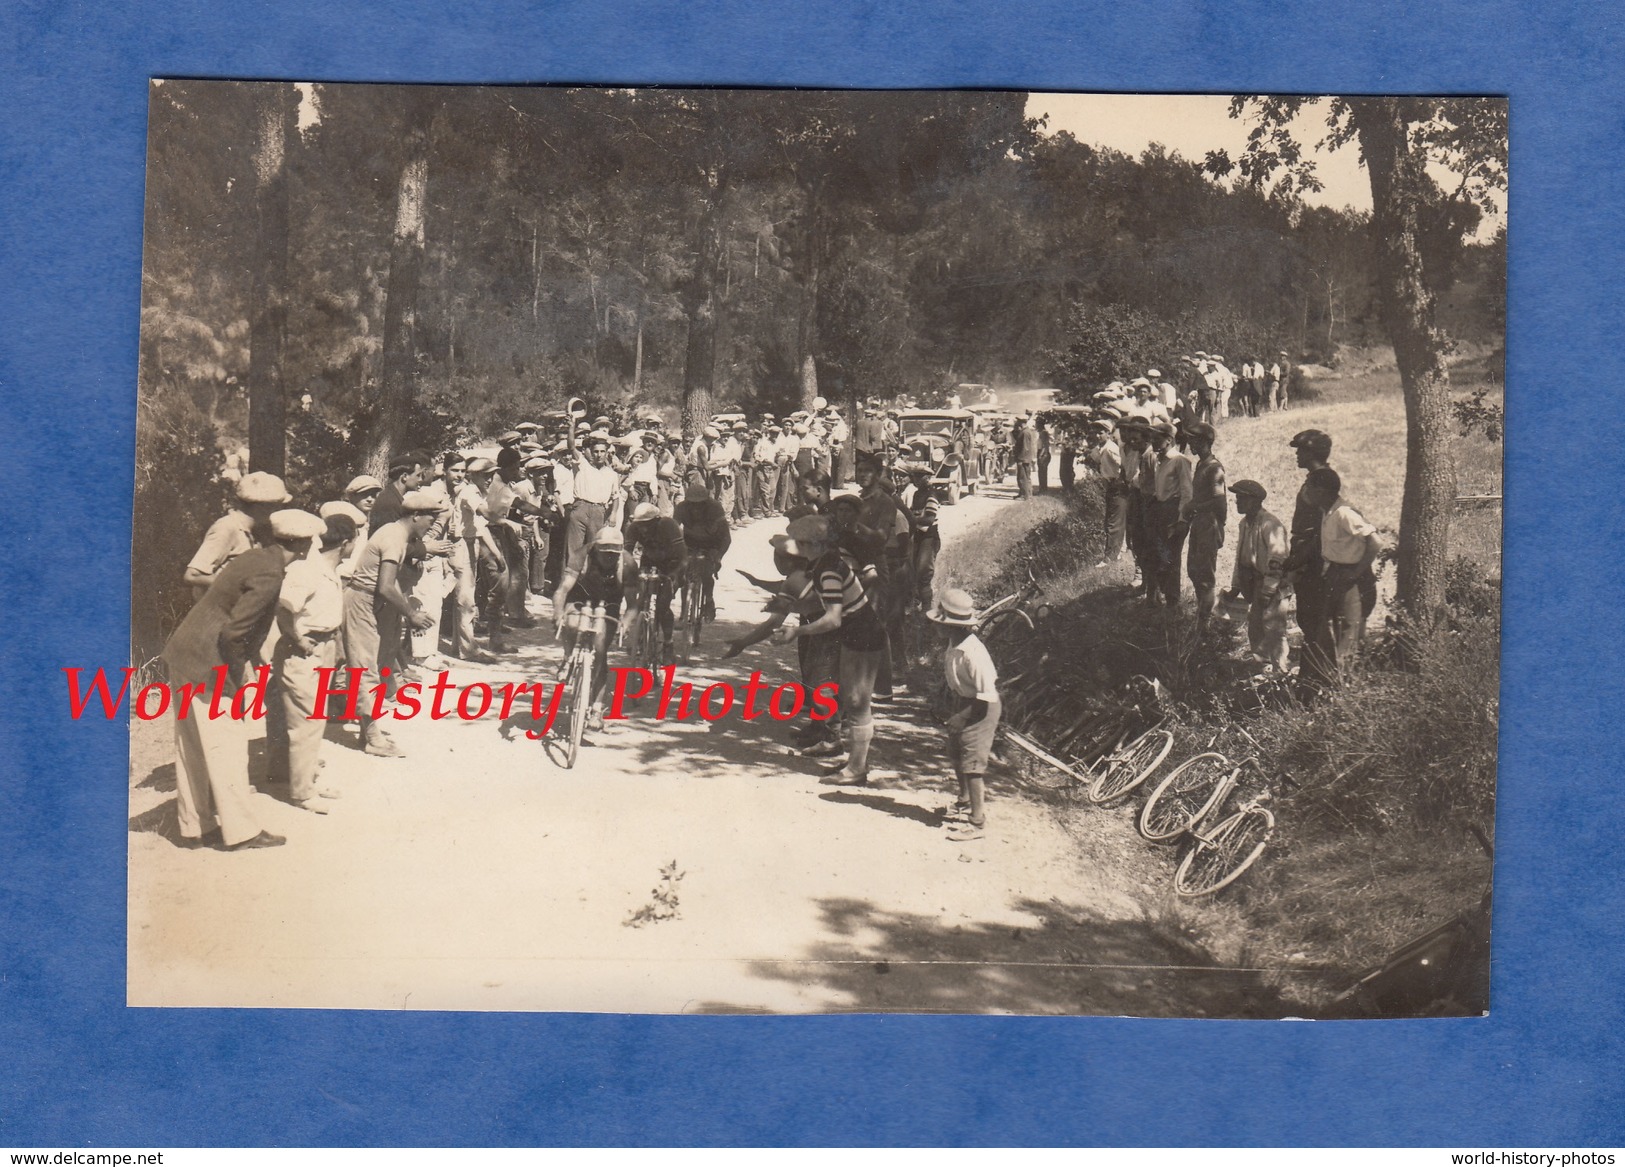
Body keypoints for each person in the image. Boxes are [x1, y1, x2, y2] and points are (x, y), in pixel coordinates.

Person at [162, 508, 325, 850]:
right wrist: (238, 676)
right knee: (229, 747)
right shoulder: (271, 574)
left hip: (185, 652)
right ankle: (241, 832)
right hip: (211, 662)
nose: (313, 545)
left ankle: (195, 827)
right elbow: (235, 633)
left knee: (191, 744)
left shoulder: (254, 557)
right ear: (300, 542)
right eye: (310, 540)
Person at [774, 515, 886, 785]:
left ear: (812, 544)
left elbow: (833, 617)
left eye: (799, 543)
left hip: (862, 633)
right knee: (851, 699)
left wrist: (797, 631)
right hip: (855, 631)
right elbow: (817, 603)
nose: (795, 548)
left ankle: (857, 769)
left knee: (858, 702)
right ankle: (855, 763)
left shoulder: (827, 569)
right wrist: (788, 607)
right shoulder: (823, 564)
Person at [269, 512, 357, 814]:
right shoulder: (306, 571)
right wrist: (297, 639)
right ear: (346, 543)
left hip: (326, 646)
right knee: (306, 720)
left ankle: (304, 780)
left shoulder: (329, 571)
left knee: (314, 717)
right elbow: (283, 610)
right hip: (305, 650)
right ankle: (302, 793)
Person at [344, 490, 440, 757]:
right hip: (361, 600)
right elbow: (386, 586)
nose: (431, 525)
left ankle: (367, 731)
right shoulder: (394, 538)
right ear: (416, 516)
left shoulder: (394, 533)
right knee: (366, 669)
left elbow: (390, 581)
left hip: (367, 600)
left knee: (369, 664)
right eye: (430, 520)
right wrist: (411, 613)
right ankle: (373, 738)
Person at [928, 587, 1001, 842]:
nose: (936, 626)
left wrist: (962, 717)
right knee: (955, 751)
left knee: (972, 763)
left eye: (940, 622)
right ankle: (964, 798)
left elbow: (986, 696)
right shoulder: (954, 643)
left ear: (953, 626)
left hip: (982, 708)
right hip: (966, 702)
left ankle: (977, 821)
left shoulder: (973, 652)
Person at [1306, 467, 1381, 682]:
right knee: (1328, 625)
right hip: (1334, 573)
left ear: (1321, 491)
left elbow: (1375, 542)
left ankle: (1346, 684)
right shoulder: (1327, 512)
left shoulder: (1344, 513)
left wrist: (1356, 572)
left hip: (1350, 576)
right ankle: (1332, 679)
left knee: (1349, 629)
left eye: (1310, 488)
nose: (1307, 493)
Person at [560, 526, 628, 732]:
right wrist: (557, 614)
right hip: (581, 596)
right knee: (571, 624)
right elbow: (563, 589)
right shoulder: (582, 555)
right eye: (604, 551)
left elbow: (633, 601)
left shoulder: (627, 563)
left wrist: (627, 621)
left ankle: (597, 708)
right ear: (595, 548)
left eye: (613, 553)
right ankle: (567, 656)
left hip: (610, 602)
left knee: (600, 651)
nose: (609, 557)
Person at [1284, 430, 1337, 686]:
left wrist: (1302, 556)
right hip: (1305, 552)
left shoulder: (1323, 479)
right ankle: (1312, 675)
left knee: (1314, 618)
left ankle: (1321, 678)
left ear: (1312, 453)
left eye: (1300, 450)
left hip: (1314, 557)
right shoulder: (1315, 478)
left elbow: (1323, 527)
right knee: (1308, 619)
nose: (1296, 454)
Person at [183, 471, 291, 596]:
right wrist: (239, 585)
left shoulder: (251, 531)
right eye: (277, 506)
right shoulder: (227, 527)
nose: (278, 511)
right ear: (262, 506)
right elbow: (192, 575)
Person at [552, 435, 620, 625]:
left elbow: (616, 497)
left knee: (594, 553)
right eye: (596, 451)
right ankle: (566, 596)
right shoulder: (583, 464)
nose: (598, 455)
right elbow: (571, 444)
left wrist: (613, 514)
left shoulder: (611, 474)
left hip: (599, 510)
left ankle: (590, 595)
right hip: (580, 508)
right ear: (590, 452)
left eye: (602, 452)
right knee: (572, 551)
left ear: (607, 453)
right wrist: (572, 425)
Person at [1225, 480, 1290, 671]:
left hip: (1275, 583)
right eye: (1237, 498)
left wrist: (1268, 589)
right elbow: (1241, 558)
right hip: (1255, 582)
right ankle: (1262, 667)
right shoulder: (1244, 524)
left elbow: (1278, 558)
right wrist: (1236, 587)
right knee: (1255, 626)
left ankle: (1281, 671)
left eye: (1241, 498)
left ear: (1254, 501)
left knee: (1273, 628)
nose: (1237, 502)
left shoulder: (1270, 524)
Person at [625, 501, 688, 662]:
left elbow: (682, 556)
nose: (643, 529)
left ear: (656, 520)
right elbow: (626, 554)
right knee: (640, 602)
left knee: (662, 606)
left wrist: (674, 576)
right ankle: (639, 636)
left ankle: (668, 644)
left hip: (671, 563)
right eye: (640, 525)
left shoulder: (669, 526)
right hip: (649, 561)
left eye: (647, 524)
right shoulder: (633, 528)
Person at [1183, 421, 1226, 632]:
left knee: (1205, 574)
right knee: (1193, 570)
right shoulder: (1201, 464)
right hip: (1199, 523)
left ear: (1204, 442)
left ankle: (1205, 622)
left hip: (1209, 523)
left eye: (1194, 440)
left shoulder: (1214, 468)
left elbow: (1220, 501)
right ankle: (1203, 612)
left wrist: (1195, 506)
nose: (1190, 444)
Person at [1145, 420, 1193, 608]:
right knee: (1157, 554)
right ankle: (1157, 595)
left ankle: (1173, 602)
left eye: (1157, 438)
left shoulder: (1180, 461)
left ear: (1169, 440)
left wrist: (1182, 520)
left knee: (1171, 557)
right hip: (1159, 510)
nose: (1153, 442)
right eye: (1152, 438)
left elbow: (1187, 492)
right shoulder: (1159, 460)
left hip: (1173, 513)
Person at [673, 480, 731, 621]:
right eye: (692, 503)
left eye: (700, 504)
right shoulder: (681, 507)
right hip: (689, 541)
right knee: (683, 571)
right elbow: (673, 529)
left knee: (706, 572)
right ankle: (683, 608)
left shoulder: (715, 508)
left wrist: (718, 557)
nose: (696, 507)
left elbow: (726, 538)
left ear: (706, 501)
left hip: (712, 542)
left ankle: (709, 600)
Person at [904, 462, 941, 609]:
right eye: (915, 477)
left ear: (927, 478)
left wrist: (912, 520)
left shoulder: (931, 494)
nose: (916, 480)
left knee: (923, 572)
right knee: (912, 570)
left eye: (920, 477)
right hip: (918, 536)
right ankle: (916, 604)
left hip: (929, 537)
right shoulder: (916, 494)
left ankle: (927, 608)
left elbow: (930, 519)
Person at [1014, 415, 1039, 500]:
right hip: (1025, 458)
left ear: (1022, 422)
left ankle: (1025, 495)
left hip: (1024, 458)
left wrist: (1021, 459)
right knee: (1025, 477)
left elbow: (1025, 447)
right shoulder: (1025, 431)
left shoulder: (1025, 432)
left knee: (1022, 477)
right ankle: (1024, 494)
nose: (1017, 423)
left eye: (1018, 421)